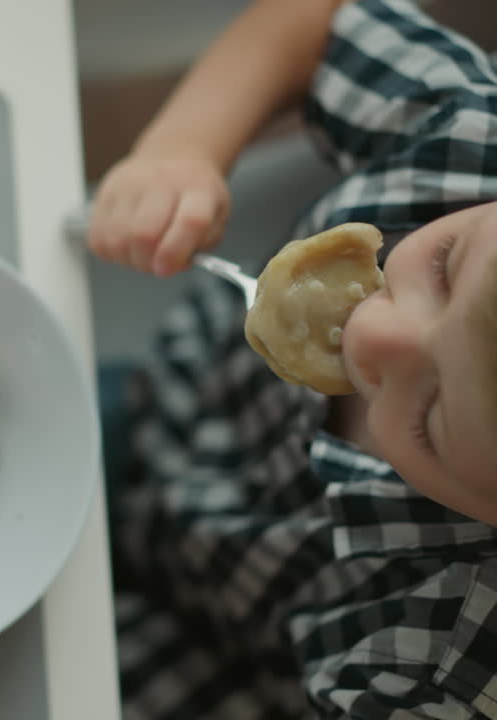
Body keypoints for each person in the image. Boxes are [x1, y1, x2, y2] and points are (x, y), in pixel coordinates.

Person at [87, 0, 497, 717]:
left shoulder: (455, 666)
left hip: (208, 657)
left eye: (432, 417)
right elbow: (314, 21)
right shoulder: (469, 141)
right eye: (445, 266)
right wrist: (183, 149)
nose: (373, 334)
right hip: (169, 401)